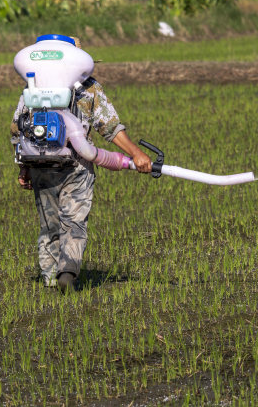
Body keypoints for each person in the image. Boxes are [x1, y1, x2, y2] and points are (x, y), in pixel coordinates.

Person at [11, 38, 152, 291]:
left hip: (39, 164)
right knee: (74, 223)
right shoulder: (89, 88)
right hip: (78, 164)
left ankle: (50, 278)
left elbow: (18, 128)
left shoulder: (32, 86)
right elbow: (110, 128)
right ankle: (68, 272)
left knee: (49, 224)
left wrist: (23, 167)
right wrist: (136, 153)